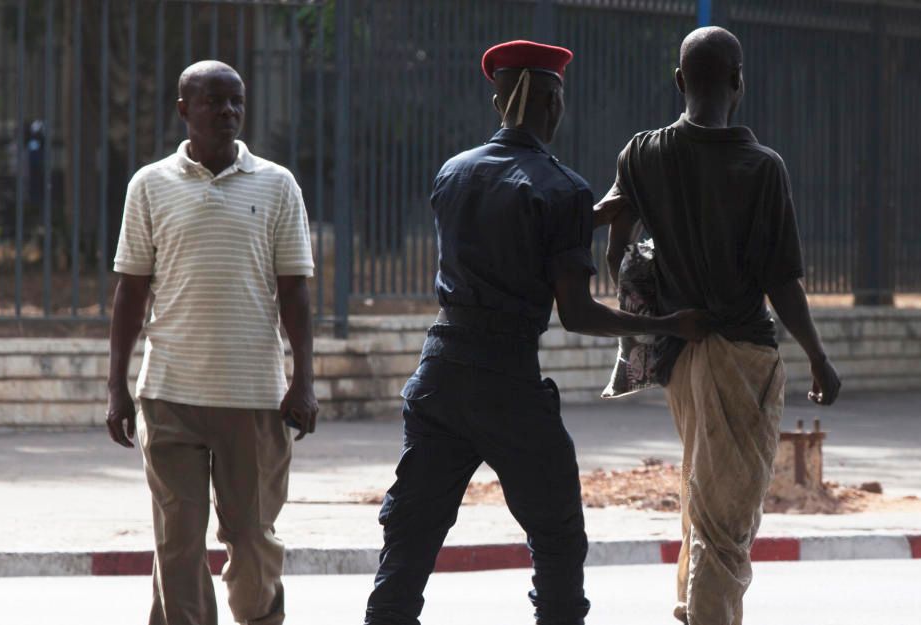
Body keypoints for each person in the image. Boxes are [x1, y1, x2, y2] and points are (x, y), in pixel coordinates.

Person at [363, 40, 710, 625]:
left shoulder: (454, 172)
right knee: (557, 538)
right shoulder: (563, 188)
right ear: (551, 101)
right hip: (508, 386)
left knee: (409, 543)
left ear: (500, 100)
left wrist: (588, 216)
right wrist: (666, 324)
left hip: (441, 376)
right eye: (559, 97)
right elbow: (577, 313)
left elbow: (511, 223)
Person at [595, 27, 843, 625]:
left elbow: (615, 253)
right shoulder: (760, 167)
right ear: (738, 82)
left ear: (680, 80)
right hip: (745, 358)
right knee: (726, 523)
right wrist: (817, 355)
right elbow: (781, 283)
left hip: (681, 355)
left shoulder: (642, 152)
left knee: (703, 501)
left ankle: (689, 608)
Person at [106, 60, 318, 625]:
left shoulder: (277, 184)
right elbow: (130, 291)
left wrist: (304, 381)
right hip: (169, 393)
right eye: (213, 102)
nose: (227, 112)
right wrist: (117, 389)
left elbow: (295, 291)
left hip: (254, 400)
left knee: (250, 541)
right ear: (184, 109)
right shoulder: (150, 185)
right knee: (178, 543)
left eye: (236, 102)